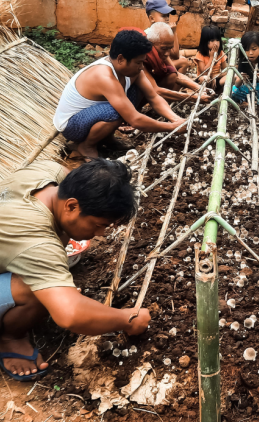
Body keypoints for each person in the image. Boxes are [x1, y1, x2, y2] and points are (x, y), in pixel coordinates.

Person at [0, 159, 151, 381]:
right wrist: (128, 320)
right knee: (35, 290)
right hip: (26, 244)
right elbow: (70, 315)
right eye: (98, 224)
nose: (101, 233)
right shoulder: (37, 242)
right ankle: (10, 338)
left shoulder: (50, 172)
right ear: (71, 206)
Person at [53, 30, 186, 159]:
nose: (141, 67)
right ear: (121, 59)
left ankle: (107, 139)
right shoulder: (104, 76)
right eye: (138, 63)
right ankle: (87, 146)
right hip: (73, 126)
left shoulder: (133, 70)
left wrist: (175, 119)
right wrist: (171, 127)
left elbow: (153, 96)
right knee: (116, 111)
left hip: (92, 115)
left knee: (136, 90)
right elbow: (135, 120)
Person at [124, 24, 215, 105]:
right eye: (164, 48)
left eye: (170, 48)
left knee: (172, 75)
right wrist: (193, 97)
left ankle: (163, 106)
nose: (167, 53)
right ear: (151, 44)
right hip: (128, 93)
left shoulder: (159, 51)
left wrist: (200, 88)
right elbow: (154, 90)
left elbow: (176, 74)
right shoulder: (141, 55)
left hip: (149, 87)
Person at [145, 0, 190, 74]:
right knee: (181, 64)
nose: (167, 19)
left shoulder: (164, 34)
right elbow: (175, 56)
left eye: (168, 16)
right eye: (163, 16)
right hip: (153, 71)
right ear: (152, 19)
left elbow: (175, 55)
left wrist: (173, 32)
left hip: (161, 66)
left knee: (183, 62)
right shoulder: (149, 35)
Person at [232, 31, 259, 105]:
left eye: (254, 49)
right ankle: (246, 102)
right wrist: (241, 78)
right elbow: (237, 85)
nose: (250, 53)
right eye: (247, 50)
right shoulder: (243, 61)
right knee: (233, 90)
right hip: (247, 89)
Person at [194, 25, 228, 91]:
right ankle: (206, 93)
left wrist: (214, 76)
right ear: (205, 42)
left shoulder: (220, 53)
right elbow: (204, 73)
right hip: (203, 81)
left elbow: (225, 71)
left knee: (230, 77)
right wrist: (211, 58)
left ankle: (219, 92)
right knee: (206, 79)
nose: (215, 43)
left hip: (216, 79)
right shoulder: (200, 54)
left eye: (217, 40)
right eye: (212, 40)